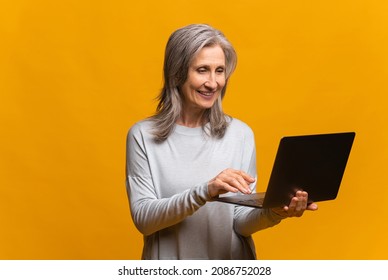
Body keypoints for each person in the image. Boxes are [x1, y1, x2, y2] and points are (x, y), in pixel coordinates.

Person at [125, 23, 318, 260]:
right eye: (202, 70)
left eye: (220, 71)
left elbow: (239, 222)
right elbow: (144, 219)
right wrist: (206, 190)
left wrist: (275, 212)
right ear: (177, 73)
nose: (213, 83)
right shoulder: (143, 135)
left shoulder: (240, 134)